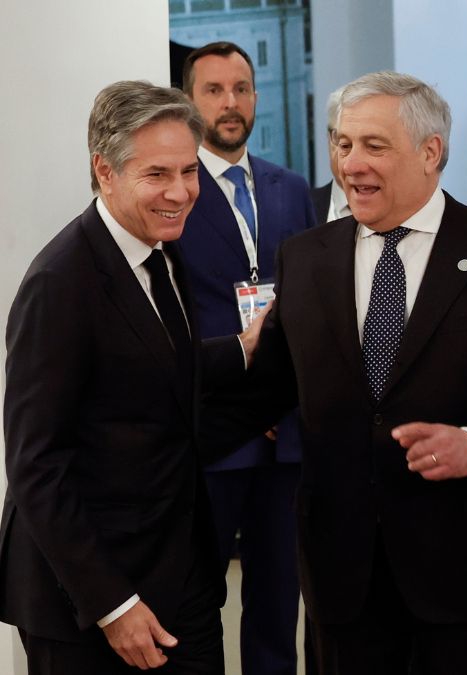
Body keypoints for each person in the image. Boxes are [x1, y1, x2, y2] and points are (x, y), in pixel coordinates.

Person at [204, 71, 467, 674]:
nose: (350, 163)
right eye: (342, 143)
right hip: (341, 576)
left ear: (431, 152)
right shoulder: (305, 257)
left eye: (373, 146)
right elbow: (266, 390)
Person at [0, 81, 250, 673]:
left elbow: (151, 364)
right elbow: (36, 466)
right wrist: (113, 604)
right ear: (104, 171)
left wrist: (242, 349)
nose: (181, 193)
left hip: (178, 569)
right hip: (90, 598)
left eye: (189, 172)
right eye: (157, 174)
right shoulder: (59, 283)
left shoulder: (159, 248)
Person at [175, 40, 316, 675]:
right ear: (190, 100)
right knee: (196, 599)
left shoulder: (292, 190)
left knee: (278, 602)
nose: (231, 103)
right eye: (214, 90)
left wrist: (282, 398)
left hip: (285, 436)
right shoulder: (173, 192)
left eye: (242, 88)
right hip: (212, 432)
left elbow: (311, 307)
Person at [311, 87, 351, 223]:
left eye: (372, 145)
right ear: (329, 139)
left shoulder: (407, 212)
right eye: (345, 143)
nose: (355, 159)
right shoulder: (298, 209)